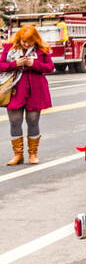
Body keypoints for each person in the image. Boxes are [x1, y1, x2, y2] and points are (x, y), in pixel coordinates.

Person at [1, 25, 54, 165]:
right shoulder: (9, 48)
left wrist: (34, 63)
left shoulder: (42, 49)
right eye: (23, 41)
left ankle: (33, 154)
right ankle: (18, 154)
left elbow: (50, 67)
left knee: (33, 120)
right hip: (15, 89)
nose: (26, 44)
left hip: (35, 89)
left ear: (35, 39)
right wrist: (14, 63)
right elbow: (1, 65)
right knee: (15, 121)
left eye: (29, 41)